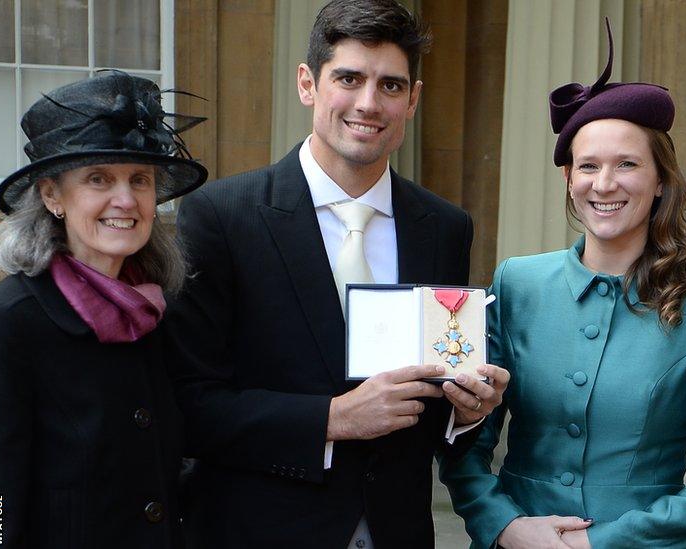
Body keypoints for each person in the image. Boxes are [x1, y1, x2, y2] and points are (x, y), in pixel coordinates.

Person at [164, 1, 510, 547]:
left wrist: (466, 409)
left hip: (399, 531)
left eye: (391, 86)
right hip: (260, 531)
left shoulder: (444, 227)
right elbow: (189, 404)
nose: (368, 104)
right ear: (308, 84)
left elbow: (434, 390)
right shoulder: (221, 215)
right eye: (348, 78)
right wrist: (331, 418)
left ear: (413, 100)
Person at [440, 23, 686, 549]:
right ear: (569, 178)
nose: (604, 184)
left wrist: (600, 543)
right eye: (588, 166)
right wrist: (506, 527)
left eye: (627, 164)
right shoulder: (516, 282)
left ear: (661, 181)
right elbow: (464, 436)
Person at [0, 72, 208, 548]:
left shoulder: (155, 310)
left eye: (140, 180)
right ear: (52, 196)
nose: (126, 200)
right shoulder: (11, 320)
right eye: (98, 179)